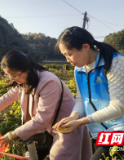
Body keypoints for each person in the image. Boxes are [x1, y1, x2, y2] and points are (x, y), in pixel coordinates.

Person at [0, 50, 92, 160]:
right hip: (50, 128)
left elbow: (42, 118)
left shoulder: (48, 81)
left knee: (61, 157)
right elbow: (8, 96)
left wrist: (13, 134)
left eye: (14, 75)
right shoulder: (24, 81)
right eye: (8, 75)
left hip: (66, 126)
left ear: (27, 69)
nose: (12, 78)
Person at [53, 26, 124, 160]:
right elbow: (81, 99)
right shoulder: (79, 69)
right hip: (98, 132)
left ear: (86, 47)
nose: (67, 59)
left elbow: (119, 107)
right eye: (64, 55)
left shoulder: (115, 62)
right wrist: (73, 117)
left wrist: (81, 122)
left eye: (69, 54)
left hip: (119, 129)